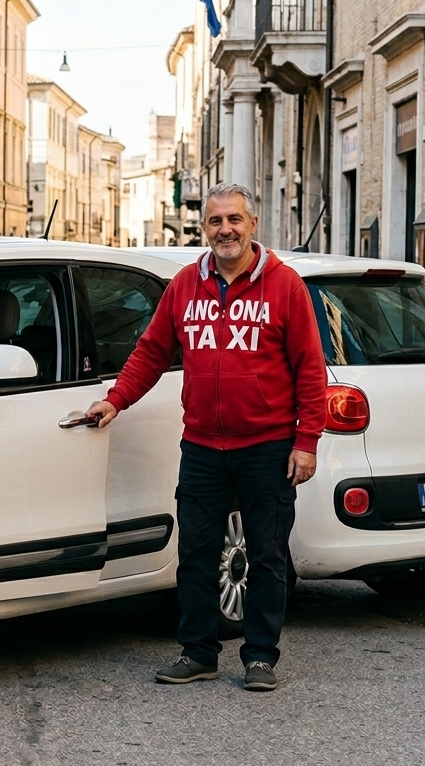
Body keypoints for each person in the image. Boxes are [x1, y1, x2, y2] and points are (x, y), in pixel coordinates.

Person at [82, 182, 326, 693]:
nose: (225, 230)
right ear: (204, 228)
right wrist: (115, 399)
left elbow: (310, 368)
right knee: (195, 555)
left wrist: (307, 441)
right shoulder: (185, 286)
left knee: (266, 557)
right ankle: (199, 652)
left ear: (252, 225)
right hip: (202, 447)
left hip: (268, 447)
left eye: (234, 220)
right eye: (215, 221)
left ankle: (260, 658)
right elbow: (152, 352)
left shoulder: (285, 287)